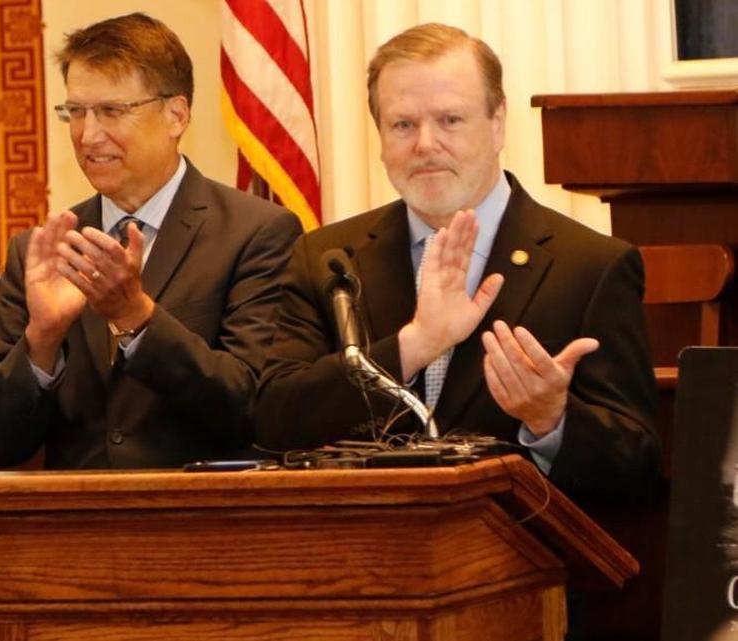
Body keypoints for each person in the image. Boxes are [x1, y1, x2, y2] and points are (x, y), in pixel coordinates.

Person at [255, 23, 659, 499]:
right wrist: (413, 346)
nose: (425, 144)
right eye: (402, 125)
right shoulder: (329, 258)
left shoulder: (590, 266)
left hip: (520, 556)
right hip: (358, 554)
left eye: (450, 120)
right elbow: (274, 423)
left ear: (498, 123)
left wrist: (551, 418)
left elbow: (637, 469)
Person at [0, 13, 302, 470]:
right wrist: (42, 338)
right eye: (76, 112)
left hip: (206, 525)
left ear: (176, 115)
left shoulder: (257, 233)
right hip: (74, 529)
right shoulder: (42, 250)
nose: (88, 135)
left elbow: (255, 410)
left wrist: (136, 317)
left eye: (111, 111)